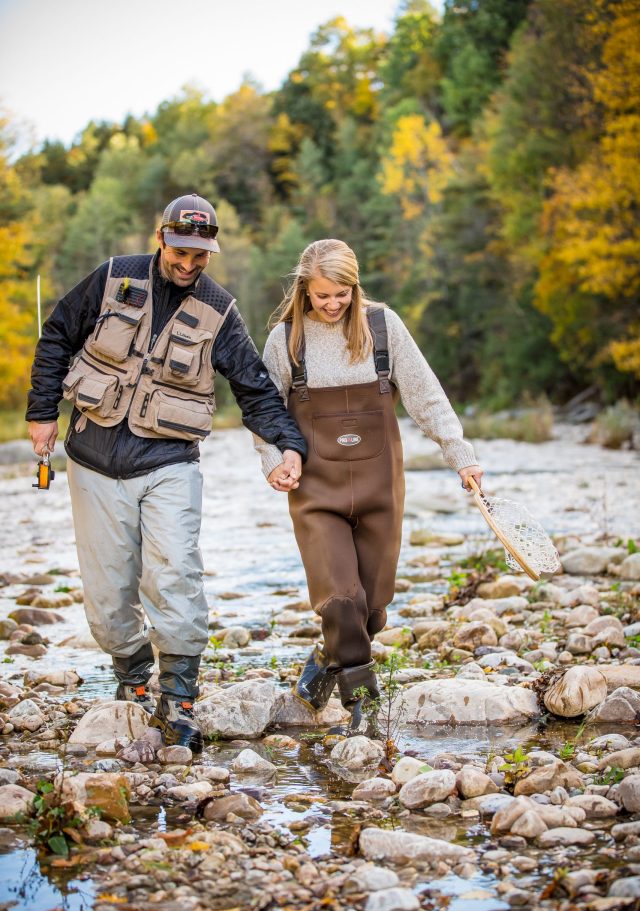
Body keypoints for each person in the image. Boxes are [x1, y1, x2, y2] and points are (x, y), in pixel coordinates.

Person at [26, 193, 306, 753]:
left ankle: (179, 699)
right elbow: (57, 334)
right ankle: (132, 680)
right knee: (107, 601)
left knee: (175, 574)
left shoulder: (219, 308)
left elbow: (254, 387)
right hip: (93, 459)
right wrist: (40, 413)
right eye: (181, 250)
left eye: (200, 255)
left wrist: (290, 446)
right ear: (162, 238)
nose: (188, 263)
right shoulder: (113, 279)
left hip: (170, 463)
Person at [254, 239, 483, 737]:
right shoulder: (285, 340)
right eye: (321, 296)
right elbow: (265, 410)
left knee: (371, 609)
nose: (332, 304)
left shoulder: (383, 328)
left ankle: (324, 656)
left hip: (381, 486)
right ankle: (363, 703)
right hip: (315, 491)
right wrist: (273, 459)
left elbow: (426, 394)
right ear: (304, 291)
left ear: (354, 287)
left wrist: (459, 453)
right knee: (340, 600)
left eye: (341, 294)